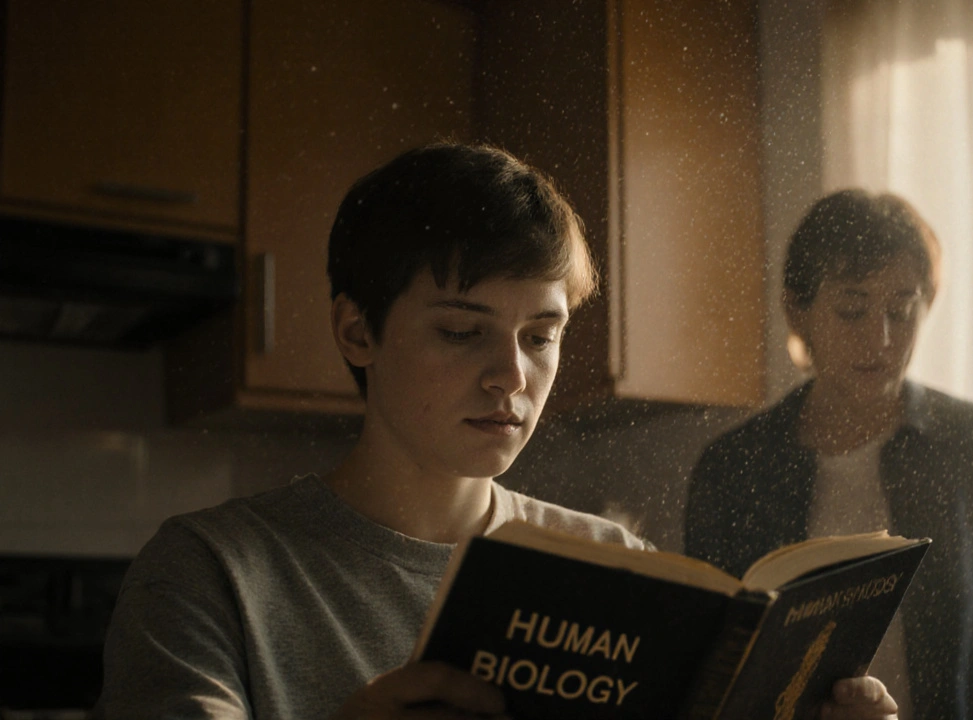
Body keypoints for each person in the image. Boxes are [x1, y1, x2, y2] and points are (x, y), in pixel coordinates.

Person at [97, 144, 902, 720]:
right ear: (356, 332)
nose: (513, 376)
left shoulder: (614, 570)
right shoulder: (209, 573)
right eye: (461, 331)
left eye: (541, 335)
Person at [685, 190, 973, 720]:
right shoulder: (732, 468)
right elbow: (709, 660)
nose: (880, 339)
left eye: (901, 311)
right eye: (852, 310)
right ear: (798, 310)